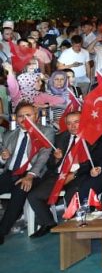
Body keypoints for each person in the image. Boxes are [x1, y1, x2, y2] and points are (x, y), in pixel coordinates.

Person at [0, 102, 55, 244]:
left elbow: (43, 157)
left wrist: (30, 176)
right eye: (20, 116)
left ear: (36, 116)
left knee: (20, 190)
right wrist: (2, 157)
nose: (24, 119)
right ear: (16, 118)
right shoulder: (9, 134)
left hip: (33, 174)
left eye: (28, 115)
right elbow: (2, 162)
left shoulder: (46, 132)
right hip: (11, 172)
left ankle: (2, 231)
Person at [27, 111, 89, 237]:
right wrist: (55, 159)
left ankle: (75, 227)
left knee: (72, 195)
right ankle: (48, 223)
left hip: (78, 175)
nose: (73, 126)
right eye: (69, 123)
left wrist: (75, 174)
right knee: (34, 196)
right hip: (58, 175)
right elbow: (50, 164)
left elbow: (94, 161)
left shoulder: (90, 137)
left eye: (76, 122)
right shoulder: (61, 137)